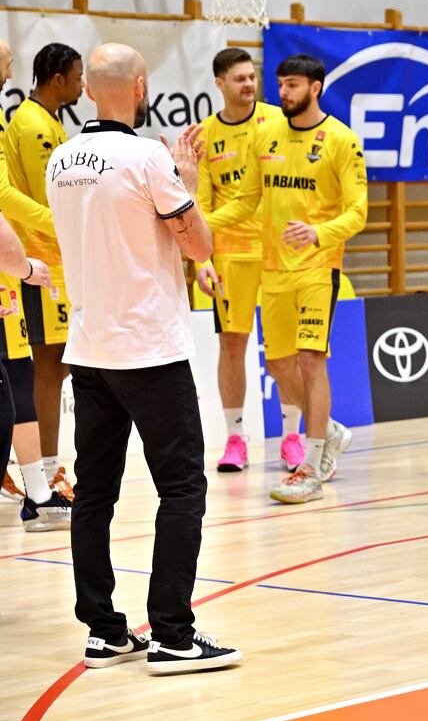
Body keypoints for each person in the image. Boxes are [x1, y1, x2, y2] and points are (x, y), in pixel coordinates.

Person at [51, 42, 241, 674]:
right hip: (150, 349)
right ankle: (172, 634)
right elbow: (198, 244)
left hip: (89, 349)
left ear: (88, 90)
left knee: (95, 493)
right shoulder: (147, 157)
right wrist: (188, 184)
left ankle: (104, 632)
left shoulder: (60, 159)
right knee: (183, 487)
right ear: (139, 88)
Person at [205, 54, 368, 504]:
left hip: (317, 266)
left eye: (292, 85)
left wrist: (319, 233)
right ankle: (327, 429)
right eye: (280, 85)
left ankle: (310, 468)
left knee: (311, 359)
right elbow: (245, 200)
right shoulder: (267, 135)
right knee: (279, 365)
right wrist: (194, 224)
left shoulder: (341, 140)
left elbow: (358, 212)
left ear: (315, 88)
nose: (283, 93)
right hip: (273, 269)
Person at [192, 48, 289, 473]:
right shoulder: (205, 135)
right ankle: (235, 439)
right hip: (231, 255)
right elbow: (200, 204)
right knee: (232, 346)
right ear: (219, 84)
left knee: (286, 348)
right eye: (239, 79)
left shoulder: (278, 121)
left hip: (278, 250)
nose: (249, 84)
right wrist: (201, 259)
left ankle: (292, 438)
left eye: (252, 77)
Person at [6, 41, 83, 501]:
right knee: (49, 366)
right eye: (77, 78)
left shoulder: (49, 121)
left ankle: (38, 466)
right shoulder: (34, 125)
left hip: (55, 260)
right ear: (57, 80)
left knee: (63, 363)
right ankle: (48, 470)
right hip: (37, 263)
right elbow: (47, 196)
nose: (81, 86)